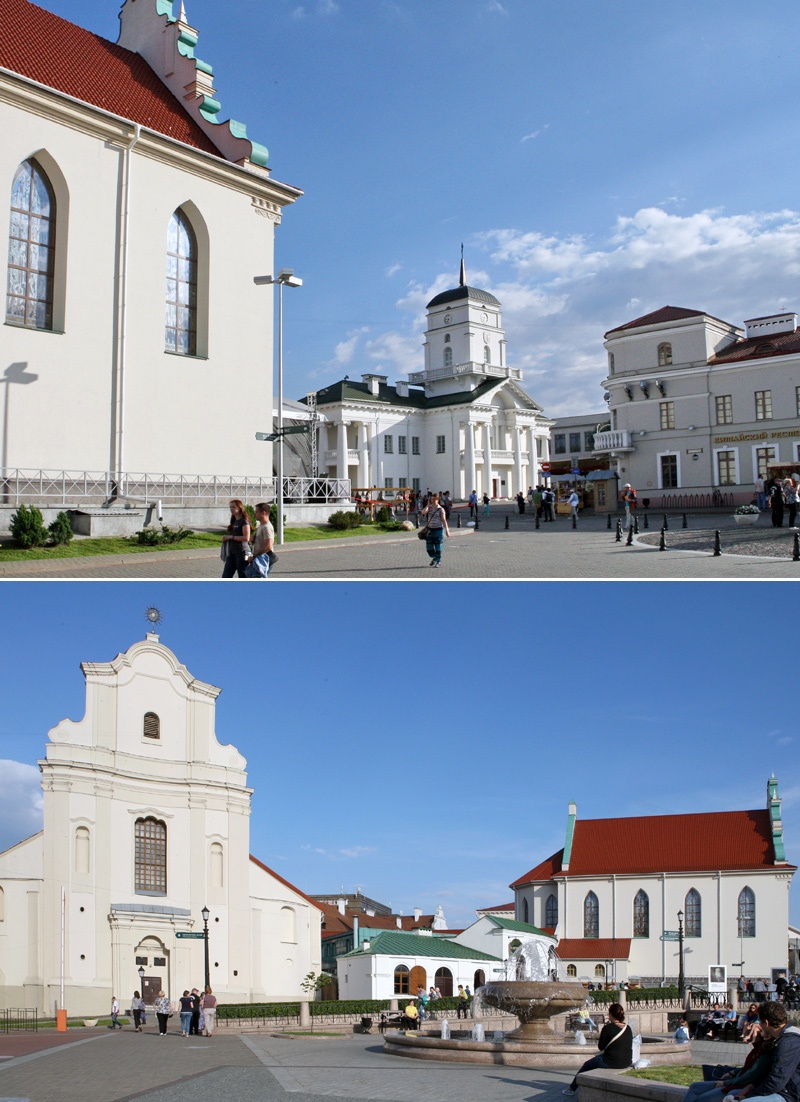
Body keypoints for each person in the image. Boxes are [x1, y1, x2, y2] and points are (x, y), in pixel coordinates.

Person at [727, 1000, 800, 1102]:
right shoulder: (780, 1038)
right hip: (784, 1089)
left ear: (766, 1023)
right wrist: (752, 1086)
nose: (759, 1026)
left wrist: (751, 1095)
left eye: (760, 1022)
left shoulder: (789, 1043)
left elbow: (777, 1081)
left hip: (791, 1094)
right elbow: (770, 1073)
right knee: (732, 1094)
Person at [563, 1003, 633, 1095]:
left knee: (587, 1065)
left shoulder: (608, 1028)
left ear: (611, 1015)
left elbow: (601, 1047)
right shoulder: (628, 1028)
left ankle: (572, 1088)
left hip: (610, 1062)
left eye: (609, 1014)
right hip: (626, 1061)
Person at [221, 499, 251, 578]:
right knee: (226, 576)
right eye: (230, 507)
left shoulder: (244, 521)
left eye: (233, 507)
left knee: (243, 575)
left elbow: (246, 538)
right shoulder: (234, 521)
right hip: (231, 553)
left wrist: (231, 537)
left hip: (241, 553)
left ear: (240, 508)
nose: (231, 509)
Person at [244, 502, 275, 578]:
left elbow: (268, 546)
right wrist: (254, 539)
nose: (255, 514)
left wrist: (254, 555)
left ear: (263, 513)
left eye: (257, 512)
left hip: (263, 559)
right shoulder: (261, 525)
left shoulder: (266, 527)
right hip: (259, 558)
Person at [421, 491, 450, 568]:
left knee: (438, 547)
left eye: (434, 499)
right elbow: (423, 512)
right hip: (430, 530)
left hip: (438, 530)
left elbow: (444, 520)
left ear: (438, 500)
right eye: (431, 499)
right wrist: (427, 505)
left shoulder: (441, 509)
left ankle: (438, 561)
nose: (432, 500)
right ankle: (434, 557)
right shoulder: (429, 507)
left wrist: (447, 530)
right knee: (429, 548)